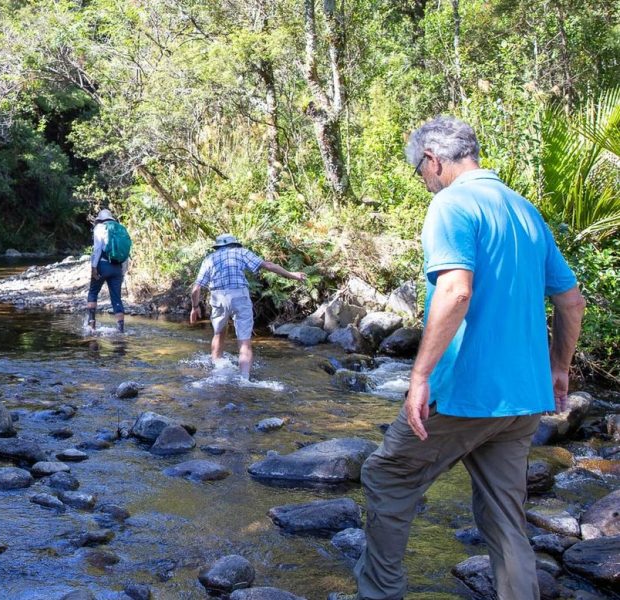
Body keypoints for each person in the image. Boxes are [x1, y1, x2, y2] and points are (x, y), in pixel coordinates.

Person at [329, 116, 585, 600]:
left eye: (419, 173)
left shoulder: (451, 205)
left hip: (465, 391)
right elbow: (571, 301)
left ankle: (379, 593)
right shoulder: (525, 210)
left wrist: (420, 375)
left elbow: (455, 289)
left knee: (387, 475)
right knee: (505, 516)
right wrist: (558, 368)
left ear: (433, 160)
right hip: (523, 399)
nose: (424, 182)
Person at [189, 233, 306, 379]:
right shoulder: (242, 252)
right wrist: (292, 275)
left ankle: (217, 374)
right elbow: (268, 265)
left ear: (218, 246)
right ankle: (244, 379)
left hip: (218, 297)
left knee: (219, 333)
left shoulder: (209, 259)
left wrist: (195, 307)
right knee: (244, 341)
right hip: (239, 296)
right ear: (234, 244)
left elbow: (196, 288)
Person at [86, 208, 130, 333]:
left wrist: (94, 267)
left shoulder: (99, 228)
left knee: (93, 292)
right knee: (116, 298)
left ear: (99, 219)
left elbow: (97, 249)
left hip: (102, 266)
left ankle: (91, 325)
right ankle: (120, 329)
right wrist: (123, 272)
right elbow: (125, 252)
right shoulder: (121, 229)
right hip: (117, 268)